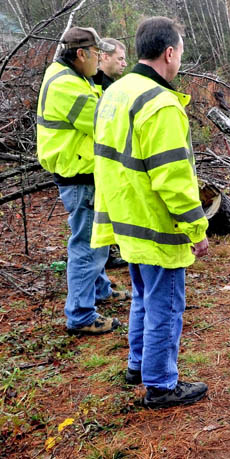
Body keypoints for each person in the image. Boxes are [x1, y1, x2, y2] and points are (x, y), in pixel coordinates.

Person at [92, 17, 210, 408]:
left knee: (144, 297)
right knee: (166, 306)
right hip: (155, 224)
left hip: (125, 219)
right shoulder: (160, 104)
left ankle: (138, 365)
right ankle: (160, 384)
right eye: (180, 53)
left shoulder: (116, 91)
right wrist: (197, 228)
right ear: (169, 53)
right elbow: (173, 178)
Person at [36, 26, 126, 335]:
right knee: (88, 245)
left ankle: (99, 289)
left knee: (95, 238)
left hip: (82, 170)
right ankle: (81, 314)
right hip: (78, 175)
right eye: (97, 55)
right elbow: (104, 121)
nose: (101, 60)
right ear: (81, 54)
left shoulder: (73, 76)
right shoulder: (66, 85)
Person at [91, 37, 129, 269]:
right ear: (104, 57)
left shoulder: (110, 85)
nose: (124, 64)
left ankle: (107, 254)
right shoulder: (95, 84)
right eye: (120, 59)